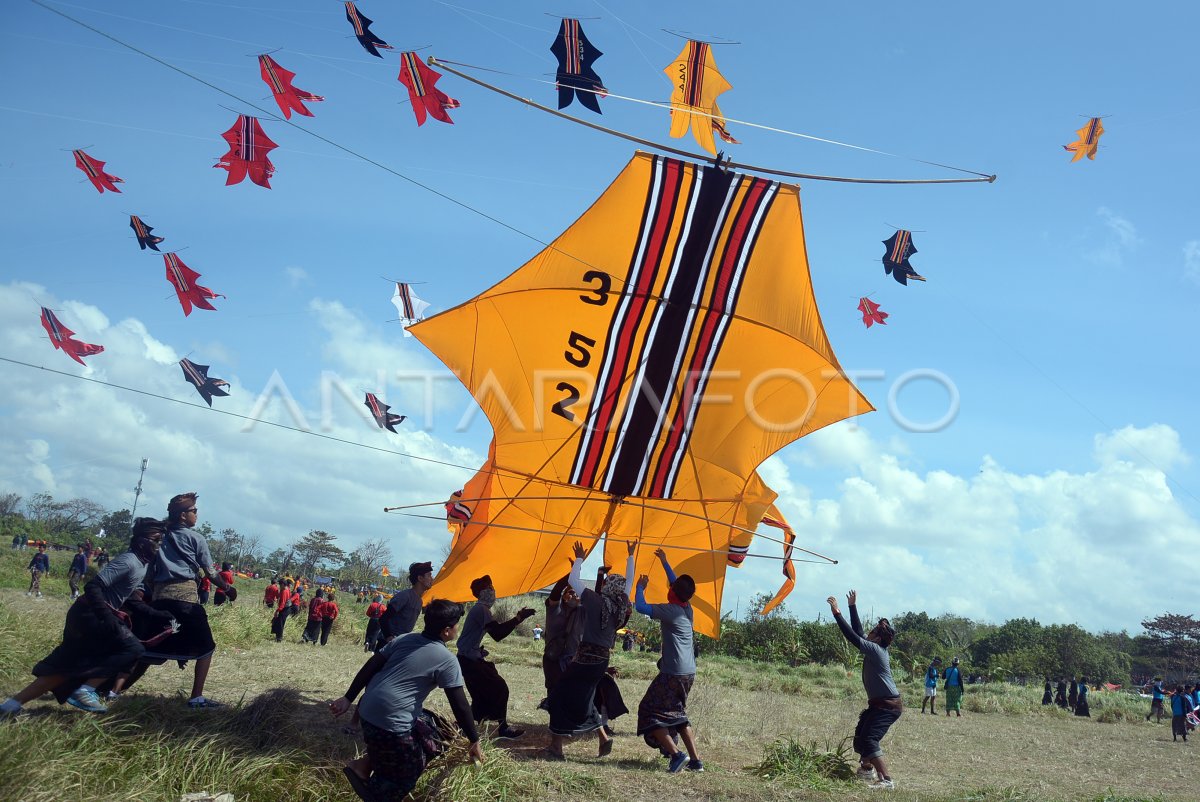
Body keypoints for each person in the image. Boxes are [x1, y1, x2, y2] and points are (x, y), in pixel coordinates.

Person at [1, 519, 174, 716]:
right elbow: (93, 586)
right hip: (88, 614)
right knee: (132, 648)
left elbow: (129, 598)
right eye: (157, 540)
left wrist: (156, 614)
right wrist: (106, 616)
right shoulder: (128, 561)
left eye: (162, 540)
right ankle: (85, 691)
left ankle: (10, 706)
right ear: (142, 541)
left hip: (93, 614)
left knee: (66, 667)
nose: (160, 545)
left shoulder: (142, 564)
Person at [329, 599, 482, 802]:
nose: (457, 629)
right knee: (407, 774)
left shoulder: (405, 639)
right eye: (456, 625)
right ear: (446, 631)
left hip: (366, 711)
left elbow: (372, 664)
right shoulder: (447, 659)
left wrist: (349, 698)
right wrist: (474, 740)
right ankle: (375, 790)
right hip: (390, 723)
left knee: (433, 725)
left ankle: (366, 763)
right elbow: (460, 705)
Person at [142, 492, 234, 709]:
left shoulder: (160, 538)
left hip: (159, 600)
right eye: (194, 511)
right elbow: (210, 572)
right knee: (207, 648)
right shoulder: (196, 539)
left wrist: (156, 593)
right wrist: (228, 589)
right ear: (183, 515)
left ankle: (113, 690)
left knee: (148, 648)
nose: (196, 514)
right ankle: (196, 697)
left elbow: (149, 574)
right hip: (186, 601)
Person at [546, 541, 635, 761]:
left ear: (608, 587)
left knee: (558, 695)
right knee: (585, 697)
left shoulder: (596, 601)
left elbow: (573, 581)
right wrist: (631, 556)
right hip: (601, 661)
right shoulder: (620, 604)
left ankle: (556, 747)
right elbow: (629, 584)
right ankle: (603, 737)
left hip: (585, 659)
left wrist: (579, 558)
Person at [634, 547, 703, 773]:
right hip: (688, 673)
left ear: (673, 593)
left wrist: (639, 588)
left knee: (649, 711)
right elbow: (677, 584)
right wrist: (664, 561)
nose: (669, 587)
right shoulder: (687, 608)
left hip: (672, 673)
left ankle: (676, 755)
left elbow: (641, 607)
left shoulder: (670, 610)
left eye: (671, 587)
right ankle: (695, 761)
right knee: (678, 714)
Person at [827, 590, 900, 791]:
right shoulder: (875, 647)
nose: (869, 633)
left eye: (873, 632)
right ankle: (866, 769)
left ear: (877, 638)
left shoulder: (876, 650)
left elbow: (852, 637)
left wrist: (837, 613)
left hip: (888, 706)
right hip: (879, 705)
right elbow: (859, 634)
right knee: (861, 738)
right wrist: (852, 606)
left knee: (870, 739)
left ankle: (886, 780)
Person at [456, 574, 534, 739]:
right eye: (490, 588)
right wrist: (518, 619)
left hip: (468, 658)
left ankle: (466, 726)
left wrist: (517, 619)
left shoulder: (480, 609)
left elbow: (497, 631)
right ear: (484, 592)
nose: (493, 591)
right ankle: (502, 728)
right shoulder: (481, 610)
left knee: (481, 693)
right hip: (469, 659)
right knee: (499, 688)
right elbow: (498, 634)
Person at [540, 571, 584, 709]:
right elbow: (556, 592)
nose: (574, 595)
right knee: (555, 690)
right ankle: (555, 719)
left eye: (577, 593)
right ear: (564, 596)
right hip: (553, 659)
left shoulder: (582, 613)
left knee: (572, 693)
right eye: (571, 592)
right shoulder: (555, 610)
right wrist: (570, 574)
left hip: (572, 660)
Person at [378, 562, 435, 649]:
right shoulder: (405, 596)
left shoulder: (419, 601)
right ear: (420, 578)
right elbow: (383, 618)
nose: (432, 578)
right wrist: (389, 637)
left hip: (400, 644)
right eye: (429, 575)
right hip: (387, 644)